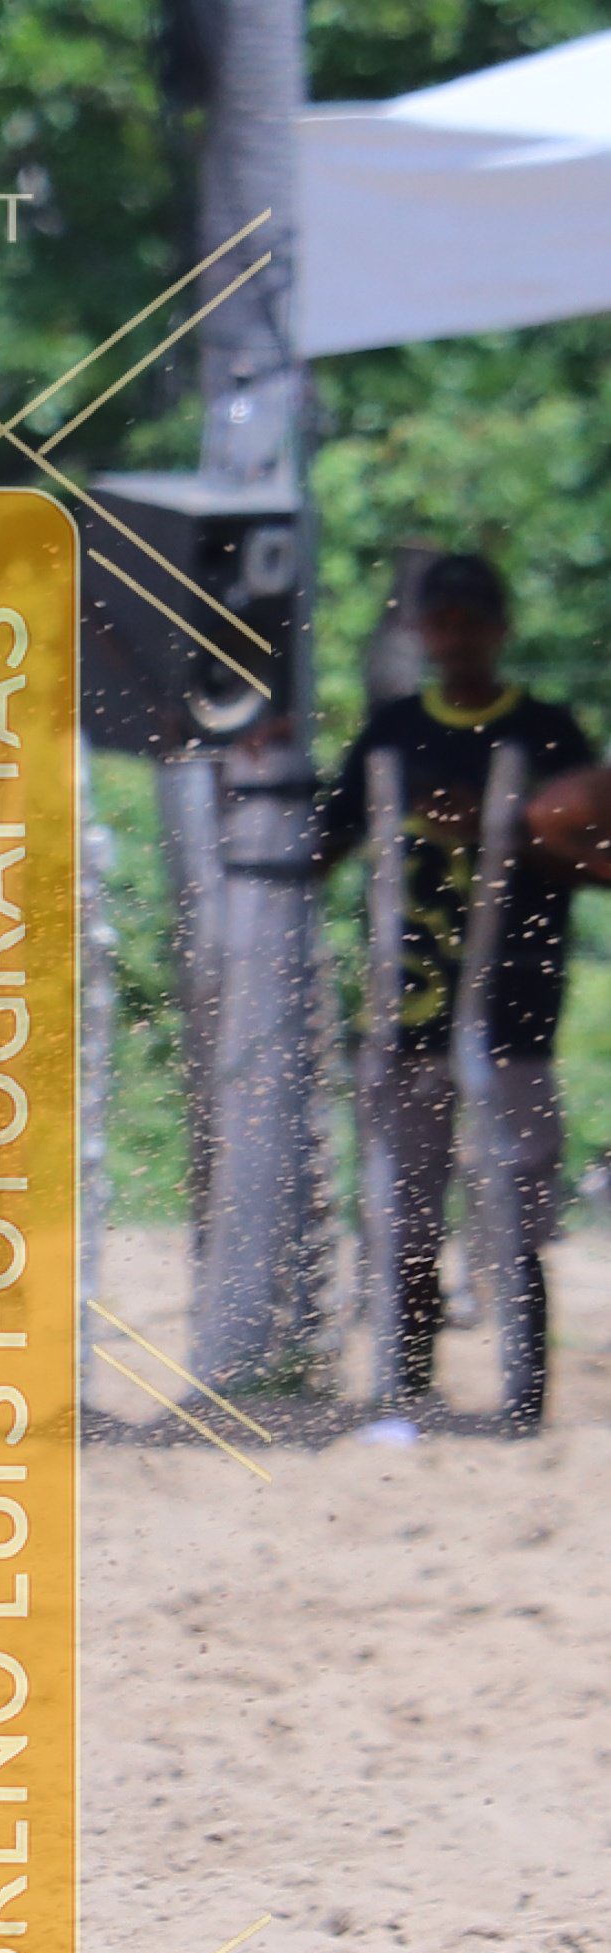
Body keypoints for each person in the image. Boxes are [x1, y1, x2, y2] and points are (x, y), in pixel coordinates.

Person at [317, 552, 592, 1432]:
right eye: (442, 621)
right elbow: (320, 844)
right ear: (419, 630)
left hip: (514, 1013)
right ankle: (406, 1392)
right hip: (403, 1016)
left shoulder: (547, 734)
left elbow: (595, 853)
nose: (457, 637)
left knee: (514, 1210)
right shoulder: (392, 733)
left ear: (500, 629)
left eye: (472, 621)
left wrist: (507, 828)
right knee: (403, 1212)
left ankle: (522, 1402)